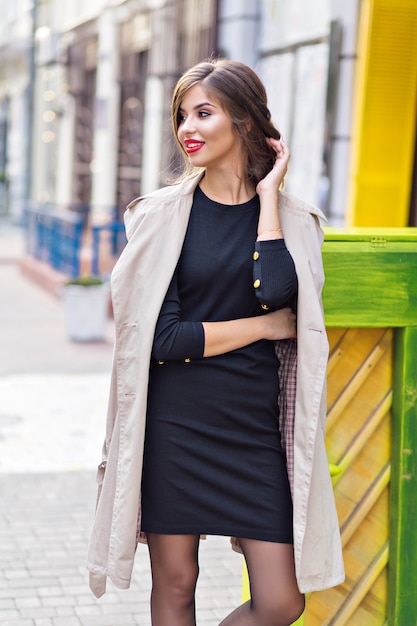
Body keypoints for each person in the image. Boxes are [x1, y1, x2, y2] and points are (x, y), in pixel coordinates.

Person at [87, 59, 344, 625]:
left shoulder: (295, 220)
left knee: (282, 601)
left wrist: (269, 195)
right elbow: (162, 337)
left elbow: (277, 291)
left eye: (204, 113)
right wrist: (261, 328)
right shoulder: (161, 218)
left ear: (245, 122)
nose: (187, 128)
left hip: (253, 430)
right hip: (175, 425)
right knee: (176, 586)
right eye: (182, 115)